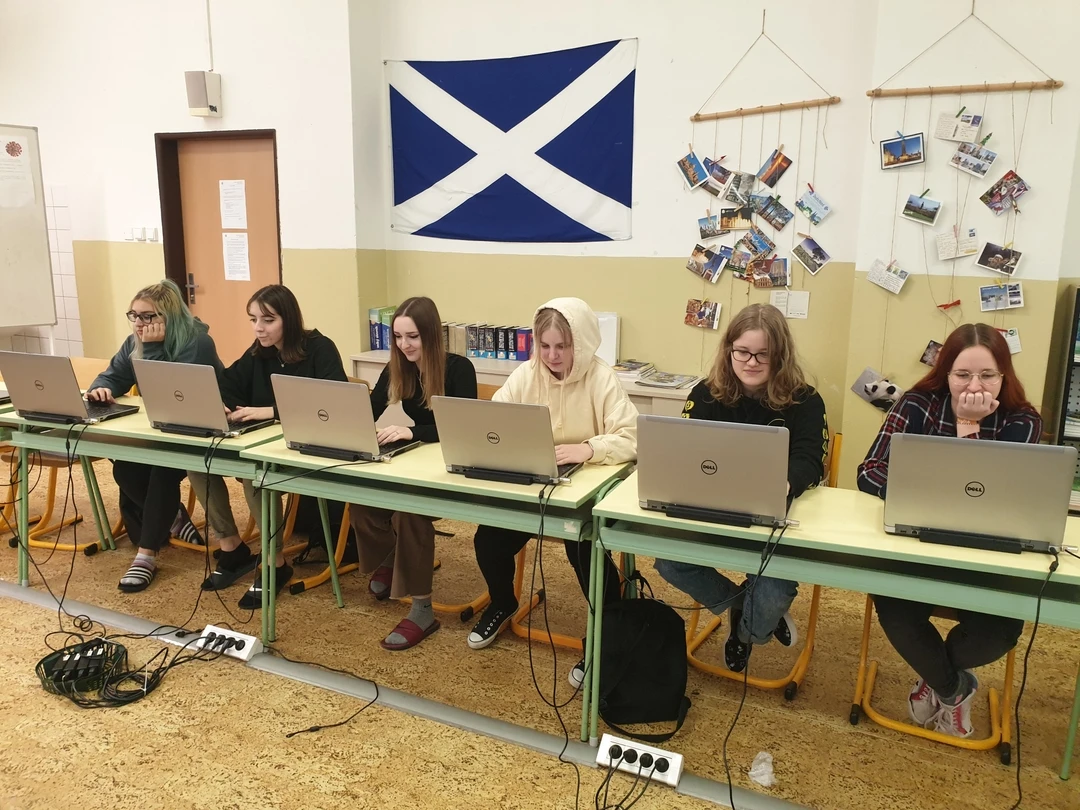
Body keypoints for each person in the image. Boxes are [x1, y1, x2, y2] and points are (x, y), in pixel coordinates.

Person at [857, 323, 1039, 738]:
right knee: (895, 610)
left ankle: (935, 677)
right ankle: (954, 688)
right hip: (917, 545)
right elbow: (869, 470)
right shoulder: (917, 404)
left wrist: (968, 428)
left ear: (1004, 375)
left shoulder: (1022, 419)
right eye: (962, 375)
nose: (974, 386)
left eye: (987, 375)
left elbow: (997, 498)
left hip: (988, 557)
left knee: (997, 635)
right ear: (946, 373)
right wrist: (919, 501)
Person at [466, 298, 638, 687]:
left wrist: (590, 448)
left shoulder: (601, 378)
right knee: (488, 540)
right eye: (544, 346)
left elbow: (632, 437)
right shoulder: (526, 374)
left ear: (581, 343)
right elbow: (494, 418)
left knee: (585, 553)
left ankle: (604, 638)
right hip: (533, 489)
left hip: (586, 495)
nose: (552, 355)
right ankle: (503, 602)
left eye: (562, 346)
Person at [653, 303, 827, 672]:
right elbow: (683, 449)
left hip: (771, 516)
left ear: (781, 355)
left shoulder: (806, 400)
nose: (751, 362)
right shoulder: (706, 392)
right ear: (729, 349)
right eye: (742, 352)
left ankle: (745, 633)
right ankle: (740, 607)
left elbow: (811, 460)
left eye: (763, 354)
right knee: (669, 562)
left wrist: (784, 482)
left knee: (775, 592)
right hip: (711, 511)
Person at [190, 284, 347, 608]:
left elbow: (335, 402)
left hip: (312, 446)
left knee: (256, 474)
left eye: (268, 320)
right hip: (265, 444)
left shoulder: (320, 348)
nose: (258, 328)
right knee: (197, 462)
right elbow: (227, 384)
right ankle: (232, 548)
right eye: (253, 319)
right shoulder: (259, 352)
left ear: (289, 319)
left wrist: (273, 411)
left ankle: (275, 563)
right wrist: (221, 402)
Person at [351, 297, 477, 650]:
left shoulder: (458, 369)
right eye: (398, 337)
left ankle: (422, 610)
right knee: (361, 502)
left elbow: (462, 429)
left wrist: (413, 432)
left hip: (454, 468)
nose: (404, 345)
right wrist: (347, 425)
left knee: (409, 513)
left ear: (431, 336)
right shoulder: (398, 368)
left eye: (413, 337)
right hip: (416, 463)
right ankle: (392, 558)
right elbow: (368, 410)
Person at [85, 280, 223, 592]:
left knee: (161, 471)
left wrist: (152, 349)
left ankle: (145, 555)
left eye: (148, 316)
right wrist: (101, 388)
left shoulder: (196, 342)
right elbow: (113, 374)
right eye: (134, 315)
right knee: (124, 468)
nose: (139, 323)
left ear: (169, 317)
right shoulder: (135, 341)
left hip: (201, 431)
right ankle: (174, 516)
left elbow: (172, 392)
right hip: (160, 430)